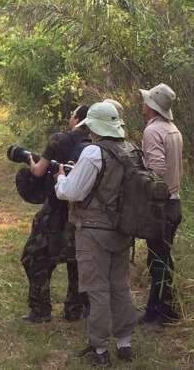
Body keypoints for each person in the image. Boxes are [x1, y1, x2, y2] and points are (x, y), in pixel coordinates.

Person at [55, 102, 137, 366]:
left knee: (97, 289)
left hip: (92, 230)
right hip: (123, 230)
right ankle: (125, 343)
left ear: (94, 127)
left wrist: (60, 179)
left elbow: (71, 192)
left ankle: (99, 348)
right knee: (120, 286)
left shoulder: (93, 153)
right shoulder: (132, 150)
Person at [20, 105, 91, 323]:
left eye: (71, 115)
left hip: (56, 208)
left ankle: (40, 309)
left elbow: (38, 171)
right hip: (82, 210)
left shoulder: (59, 140)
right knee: (77, 261)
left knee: (35, 256)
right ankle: (74, 309)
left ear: (77, 118)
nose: (70, 118)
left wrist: (29, 159)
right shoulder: (95, 145)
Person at [137, 83, 183, 326]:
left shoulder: (153, 131)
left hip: (161, 206)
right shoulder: (172, 129)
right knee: (161, 256)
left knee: (157, 259)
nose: (143, 105)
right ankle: (158, 308)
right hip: (174, 202)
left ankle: (161, 312)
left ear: (151, 106)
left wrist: (137, 177)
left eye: (145, 102)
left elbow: (157, 168)